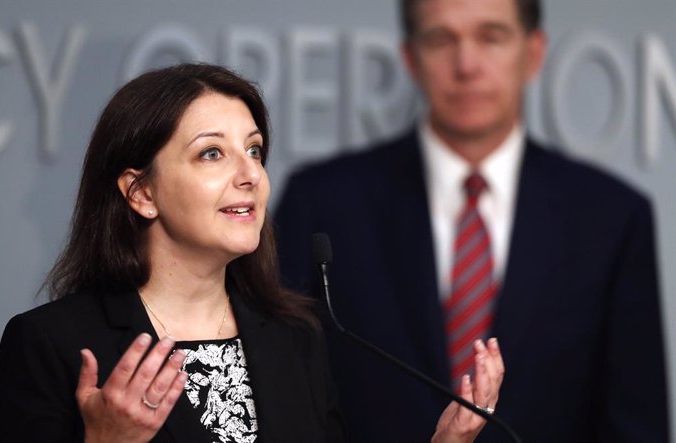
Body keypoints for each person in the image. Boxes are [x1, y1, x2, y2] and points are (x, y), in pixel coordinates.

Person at [0, 63, 503, 443]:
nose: (249, 174)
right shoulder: (52, 344)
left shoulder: (295, 336)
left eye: (254, 150)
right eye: (212, 153)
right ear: (140, 193)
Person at [274, 0, 669, 442]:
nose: (466, 65)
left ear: (534, 53)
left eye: (491, 37)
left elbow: (637, 426)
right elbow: (283, 401)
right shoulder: (323, 203)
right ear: (411, 59)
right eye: (442, 39)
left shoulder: (613, 218)